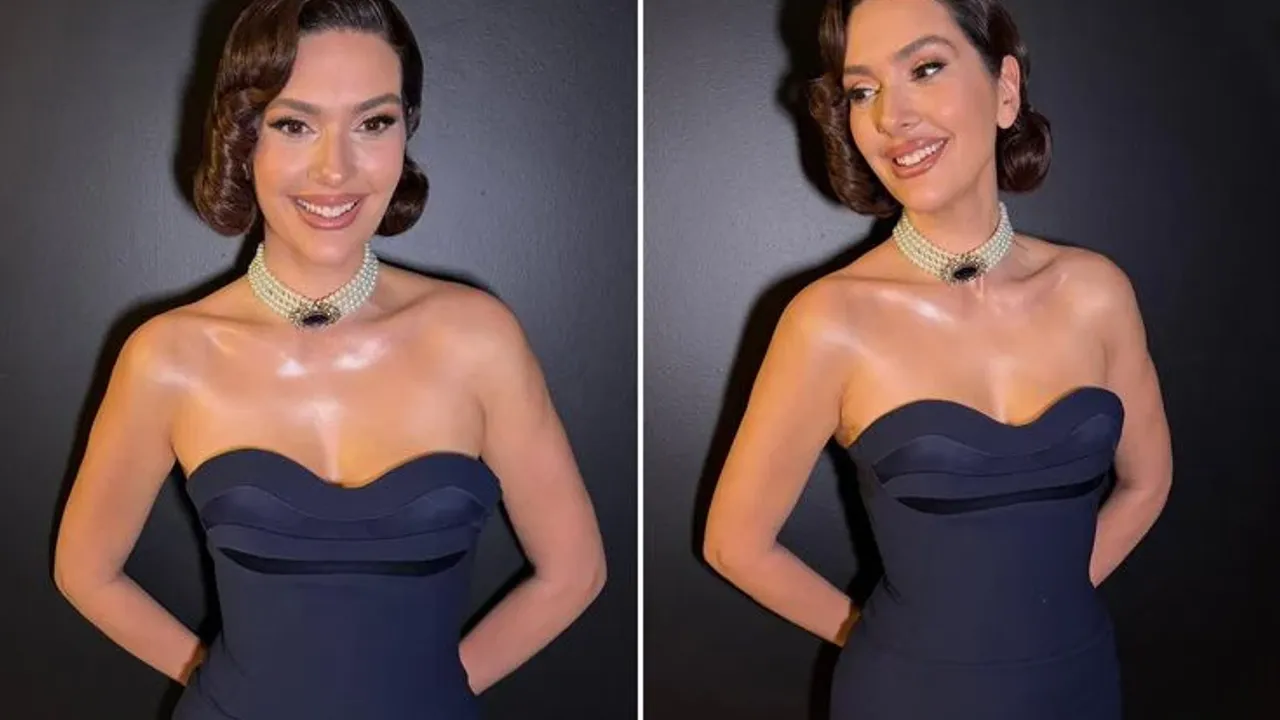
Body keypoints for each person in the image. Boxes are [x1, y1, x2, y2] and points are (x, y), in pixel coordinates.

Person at [52, 1, 606, 717]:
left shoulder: (479, 339)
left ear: (406, 131)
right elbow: (86, 571)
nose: (335, 169)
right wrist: (220, 686)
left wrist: (438, 688)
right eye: (295, 124)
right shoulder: (169, 356)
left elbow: (575, 572)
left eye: (373, 123)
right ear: (243, 136)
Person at [702, 0, 1172, 716]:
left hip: (1079, 684)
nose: (891, 116)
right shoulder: (830, 321)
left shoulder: (1096, 293)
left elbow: (1148, 482)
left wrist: (1047, 604)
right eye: (864, 90)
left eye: (925, 68)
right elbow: (735, 543)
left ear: (1005, 90)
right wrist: (877, 639)